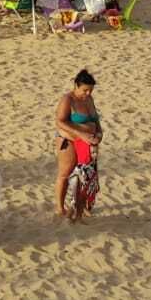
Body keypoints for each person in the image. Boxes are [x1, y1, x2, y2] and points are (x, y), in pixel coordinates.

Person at [55, 70, 101, 221]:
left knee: (85, 176)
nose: (88, 93)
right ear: (76, 85)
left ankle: (81, 208)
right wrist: (81, 134)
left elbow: (96, 120)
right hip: (68, 140)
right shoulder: (68, 99)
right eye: (85, 90)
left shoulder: (89, 99)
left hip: (87, 142)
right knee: (65, 173)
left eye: (90, 90)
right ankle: (60, 207)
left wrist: (99, 134)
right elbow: (60, 121)